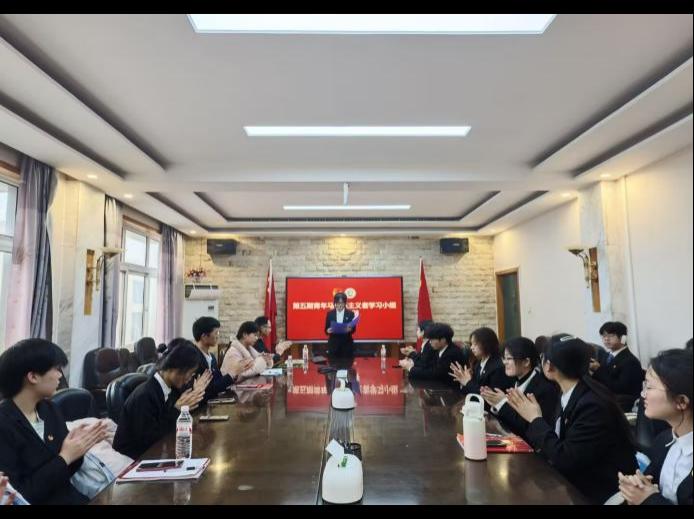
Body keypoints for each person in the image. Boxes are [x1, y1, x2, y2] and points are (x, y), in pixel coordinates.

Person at [506, 333, 637, 504]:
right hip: (575, 482)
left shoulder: (591, 405)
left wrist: (535, 419)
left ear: (549, 366)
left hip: (601, 492)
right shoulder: (570, 392)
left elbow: (565, 459)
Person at [0, 339, 109, 505]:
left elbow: (67, 471)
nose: (60, 376)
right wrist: (65, 456)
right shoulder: (4, 423)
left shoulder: (49, 409)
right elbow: (18, 496)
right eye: (57, 369)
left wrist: (79, 448)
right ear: (33, 376)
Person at [113, 340, 212, 460]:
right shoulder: (144, 395)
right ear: (176, 368)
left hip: (159, 453)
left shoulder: (173, 389)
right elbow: (149, 439)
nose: (189, 379)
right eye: (190, 374)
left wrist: (194, 396)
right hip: (131, 460)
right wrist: (176, 410)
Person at [618, 348, 692, 505]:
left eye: (649, 387)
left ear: (681, 401)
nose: (643, 394)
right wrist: (637, 488)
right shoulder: (663, 440)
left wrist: (648, 499)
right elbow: (650, 483)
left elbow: (650, 498)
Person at [480, 336, 560, 440]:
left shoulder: (544, 389)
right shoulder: (512, 380)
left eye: (509, 358)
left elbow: (529, 428)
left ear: (526, 362)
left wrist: (502, 404)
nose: (504, 362)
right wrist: (495, 404)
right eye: (504, 358)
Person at [191, 316, 253, 402]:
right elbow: (208, 390)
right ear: (204, 336)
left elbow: (218, 382)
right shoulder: (193, 358)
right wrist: (231, 374)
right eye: (216, 333)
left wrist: (235, 373)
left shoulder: (211, 357)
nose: (218, 336)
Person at [590, 321, 644, 411]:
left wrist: (598, 370)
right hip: (606, 400)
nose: (606, 339)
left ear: (623, 338)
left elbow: (620, 388)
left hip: (622, 405)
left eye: (611, 336)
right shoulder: (606, 355)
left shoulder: (630, 360)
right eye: (603, 336)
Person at [449, 327, 514, 395]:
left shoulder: (498, 366)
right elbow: (472, 388)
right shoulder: (478, 363)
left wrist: (467, 382)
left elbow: (489, 395)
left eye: (475, 344)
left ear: (487, 343)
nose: (471, 347)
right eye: (471, 344)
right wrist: (463, 380)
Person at [403, 323, 465, 387]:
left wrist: (410, 368)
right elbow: (428, 366)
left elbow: (435, 374)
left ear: (443, 340)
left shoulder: (452, 353)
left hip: (450, 390)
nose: (430, 342)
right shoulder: (439, 350)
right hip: (439, 387)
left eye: (432, 339)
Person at [324, 292, 357, 357]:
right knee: (333, 363)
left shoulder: (350, 314)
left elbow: (353, 330)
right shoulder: (330, 314)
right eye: (338, 303)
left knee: (347, 363)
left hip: (346, 345)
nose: (340, 305)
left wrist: (350, 329)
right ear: (335, 303)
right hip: (333, 345)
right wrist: (328, 330)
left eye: (342, 303)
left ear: (345, 303)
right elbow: (326, 329)